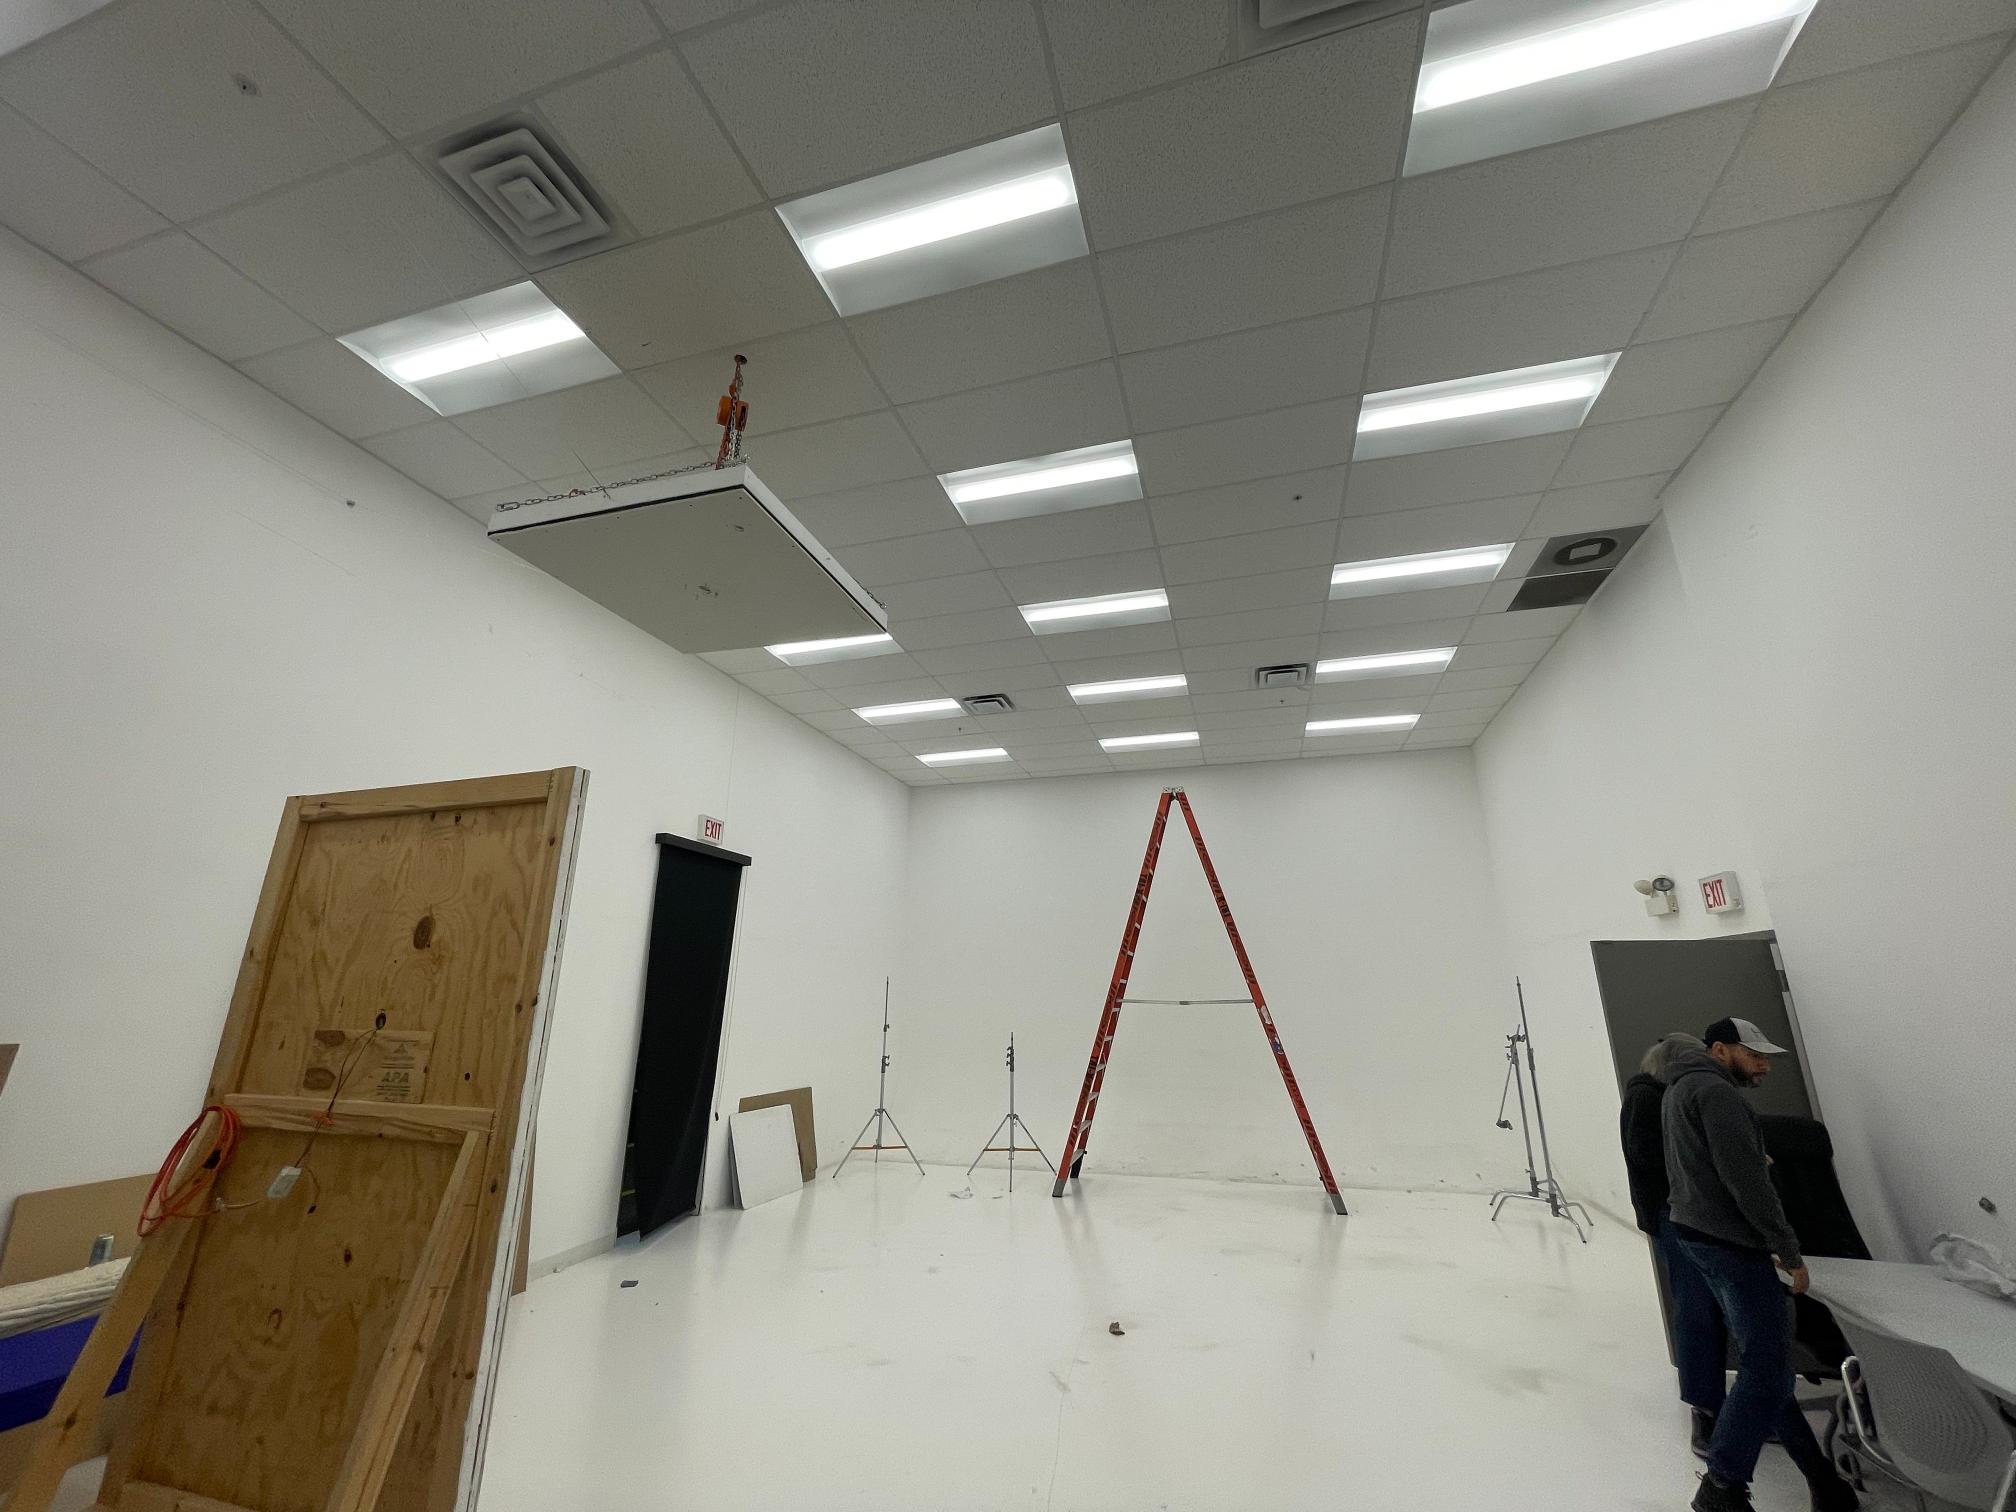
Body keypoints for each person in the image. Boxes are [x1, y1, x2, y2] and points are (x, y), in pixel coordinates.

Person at [1663, 1018, 1858, 1512]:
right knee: (1768, 1371)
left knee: (1767, 1371)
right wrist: (1788, 1251)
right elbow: (1748, 1185)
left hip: (1699, 1236)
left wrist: (1750, 1155)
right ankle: (1721, 1488)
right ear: (1720, 1049)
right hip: (1731, 1245)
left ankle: (1825, 1484)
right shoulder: (1717, 1094)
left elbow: (1707, 1166)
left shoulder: (1680, 1088)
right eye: (1754, 1056)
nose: (1764, 1066)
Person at [1619, 1033, 1727, 1457]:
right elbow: (1647, 1159)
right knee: (1697, 1309)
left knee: (1714, 1309)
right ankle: (1706, 1409)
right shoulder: (1647, 1098)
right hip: (1676, 1218)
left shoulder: (1668, 1096)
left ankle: (1732, 1409)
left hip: (1695, 1216)